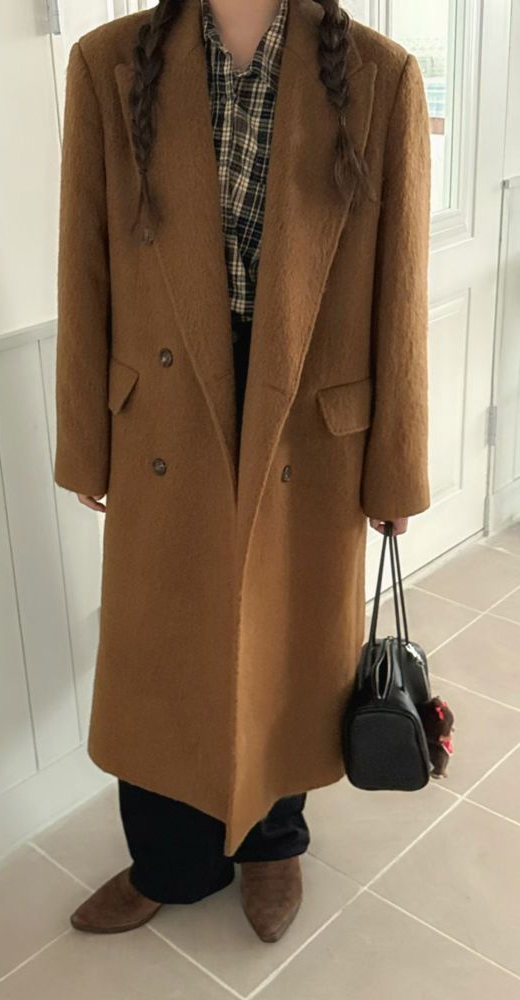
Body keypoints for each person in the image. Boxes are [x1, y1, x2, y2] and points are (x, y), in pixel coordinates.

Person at [53, 0, 431, 940]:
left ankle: (272, 844)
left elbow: (401, 289)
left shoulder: (379, 75)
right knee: (163, 647)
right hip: (163, 408)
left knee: (284, 638)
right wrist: (84, 441)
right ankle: (169, 862)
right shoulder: (107, 64)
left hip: (306, 412)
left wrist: (395, 468)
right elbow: (83, 266)